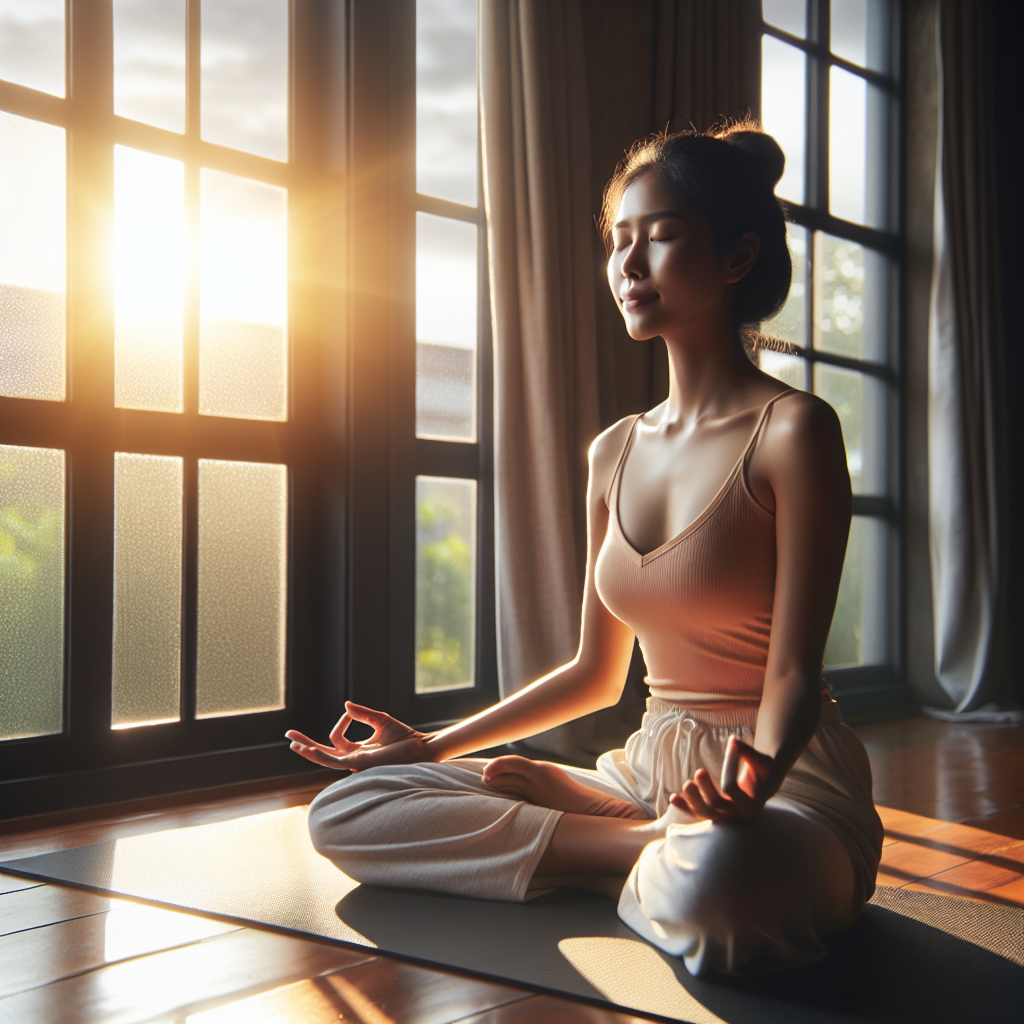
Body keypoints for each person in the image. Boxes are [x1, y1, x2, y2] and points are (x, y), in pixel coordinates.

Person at [286, 121, 883, 977]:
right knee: (350, 808)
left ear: (737, 257)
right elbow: (594, 675)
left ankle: (618, 853)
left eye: (662, 235)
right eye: (618, 242)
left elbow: (792, 672)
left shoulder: (794, 432)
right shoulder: (614, 452)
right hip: (643, 775)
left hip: (782, 787)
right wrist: (424, 748)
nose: (628, 266)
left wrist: (752, 782)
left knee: (726, 889)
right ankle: (637, 846)